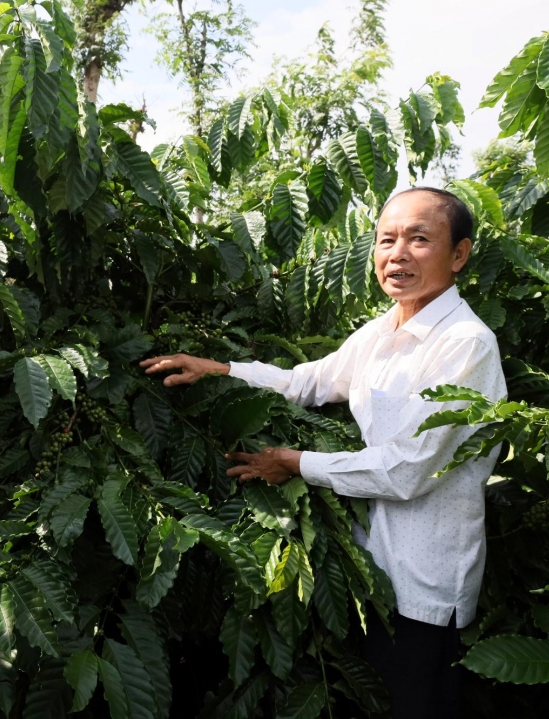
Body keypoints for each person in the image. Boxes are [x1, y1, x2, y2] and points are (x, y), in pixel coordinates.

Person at [141, 187, 507, 719]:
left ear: (459, 254)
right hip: (366, 570)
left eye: (419, 239)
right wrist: (221, 369)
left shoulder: (465, 344)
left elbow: (409, 468)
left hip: (422, 581)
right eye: (386, 240)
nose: (397, 254)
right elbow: (305, 383)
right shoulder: (382, 332)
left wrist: (295, 463)